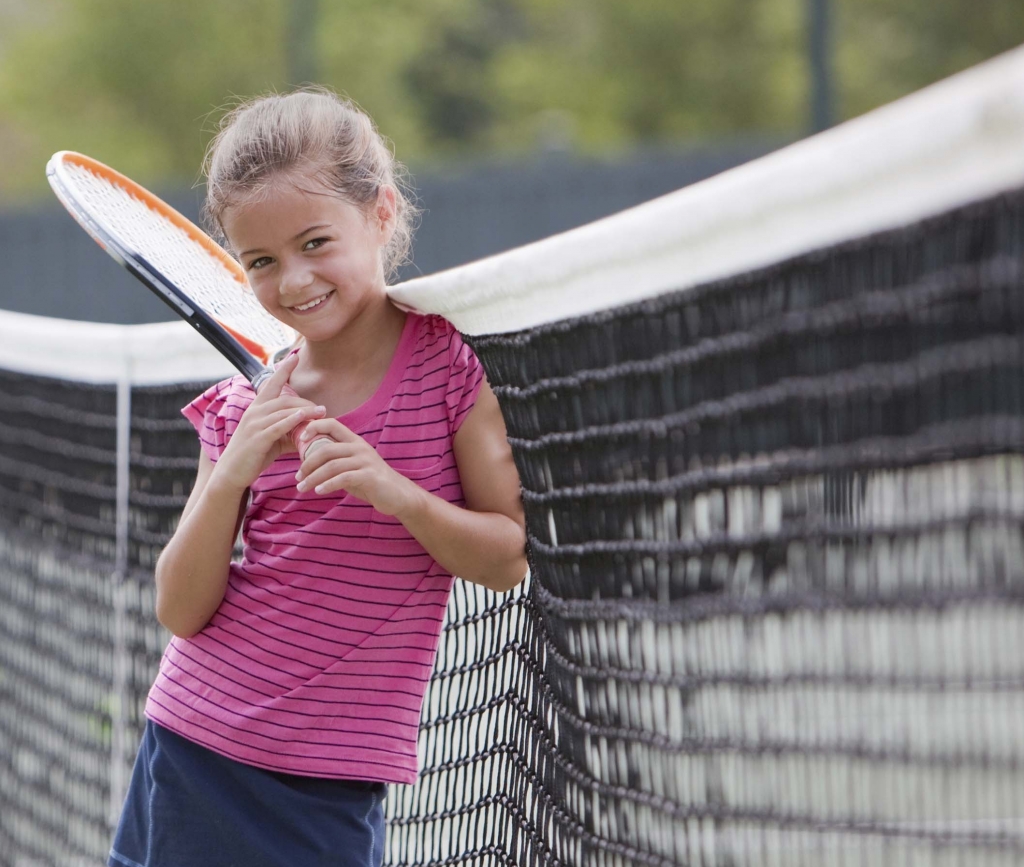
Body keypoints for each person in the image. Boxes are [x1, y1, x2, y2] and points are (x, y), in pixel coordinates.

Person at [108, 88, 527, 867]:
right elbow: (181, 606)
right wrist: (233, 471)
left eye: (314, 242)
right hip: (198, 749)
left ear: (380, 212)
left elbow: (506, 557)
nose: (293, 280)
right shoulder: (243, 403)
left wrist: (394, 490)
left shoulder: (448, 368)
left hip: (333, 782)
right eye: (261, 261)